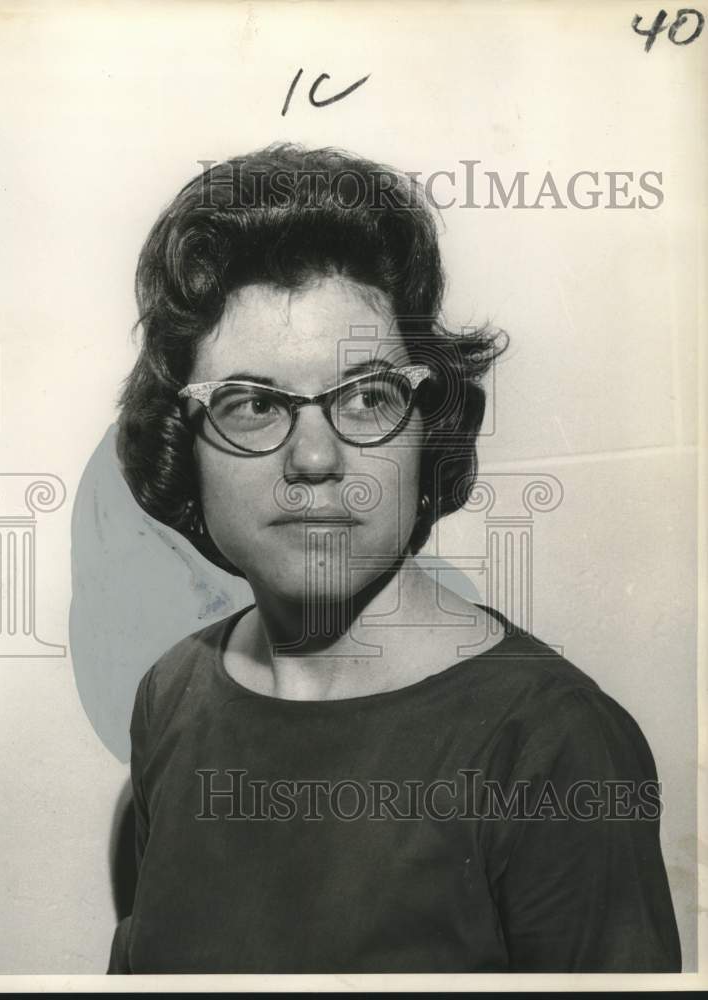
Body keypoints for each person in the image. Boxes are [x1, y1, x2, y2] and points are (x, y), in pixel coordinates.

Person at [108, 143, 681, 973]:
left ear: (427, 431)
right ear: (183, 442)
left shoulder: (552, 744)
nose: (313, 458)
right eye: (254, 404)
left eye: (367, 396)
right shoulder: (172, 694)